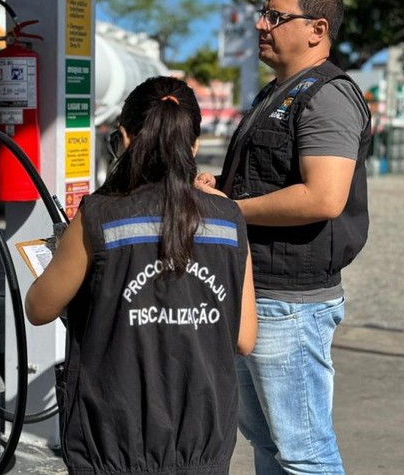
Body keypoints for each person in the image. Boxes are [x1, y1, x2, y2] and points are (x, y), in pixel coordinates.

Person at [25, 76, 257, 475]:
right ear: (195, 144)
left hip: (112, 443)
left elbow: (39, 308)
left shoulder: (99, 215)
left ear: (124, 139)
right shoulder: (228, 219)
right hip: (202, 443)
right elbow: (244, 338)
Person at [197, 0, 372, 474]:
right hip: (258, 290)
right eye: (262, 14)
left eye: (276, 16)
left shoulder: (327, 95)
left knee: (303, 450)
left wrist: (226, 209)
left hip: (291, 303)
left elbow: (323, 197)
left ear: (317, 29)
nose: (261, 25)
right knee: (268, 443)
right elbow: (268, 180)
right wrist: (222, 188)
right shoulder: (277, 93)